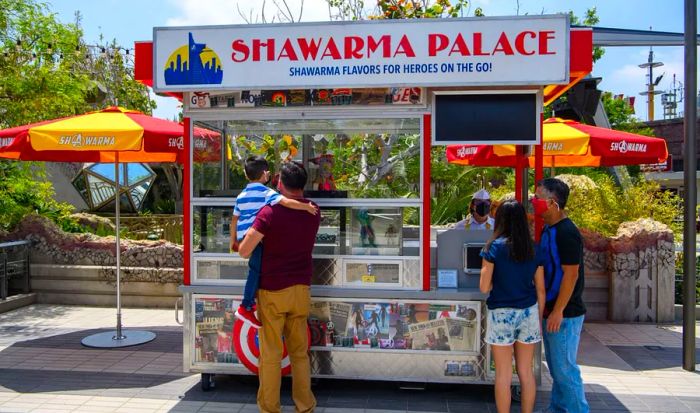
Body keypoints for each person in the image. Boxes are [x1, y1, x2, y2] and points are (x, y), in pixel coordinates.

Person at [238, 161, 320, 413]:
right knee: (299, 352)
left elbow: (244, 251)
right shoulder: (313, 210)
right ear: (303, 184)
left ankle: (270, 407)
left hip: (273, 290)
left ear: (279, 183)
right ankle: (305, 405)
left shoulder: (269, 213)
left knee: (271, 353)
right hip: (301, 289)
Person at [230, 156, 317, 329]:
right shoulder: (268, 194)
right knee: (255, 270)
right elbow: (287, 202)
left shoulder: (243, 197)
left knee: (254, 269)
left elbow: (235, 222)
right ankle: (245, 305)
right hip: (298, 283)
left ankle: (247, 304)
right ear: (264, 174)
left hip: (247, 243)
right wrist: (306, 206)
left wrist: (233, 241)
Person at [479, 199, 545, 413]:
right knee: (526, 373)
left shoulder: (493, 248)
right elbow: (540, 289)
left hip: (501, 314)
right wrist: (538, 319)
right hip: (528, 313)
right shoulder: (534, 249)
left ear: (500, 221)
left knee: (503, 375)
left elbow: (483, 286)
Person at [531, 178, 589, 413]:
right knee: (557, 369)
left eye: (538, 198)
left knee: (565, 369)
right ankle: (558, 409)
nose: (534, 202)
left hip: (564, 313)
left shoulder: (566, 232)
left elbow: (571, 274)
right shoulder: (550, 228)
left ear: (553, 203)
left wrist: (557, 311)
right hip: (554, 310)